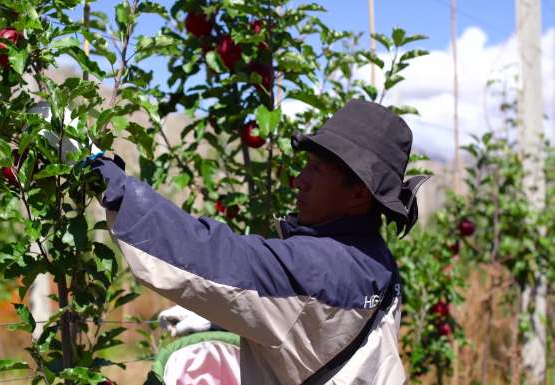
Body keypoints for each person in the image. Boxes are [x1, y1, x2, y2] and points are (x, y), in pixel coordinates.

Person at [89, 99, 429, 384]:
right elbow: (315, 329)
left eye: (315, 169)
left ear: (357, 194)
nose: (299, 180)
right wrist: (224, 318)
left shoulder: (315, 268)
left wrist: (107, 177)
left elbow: (207, 254)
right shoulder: (374, 259)